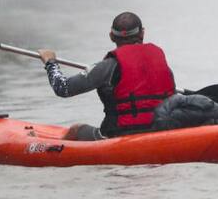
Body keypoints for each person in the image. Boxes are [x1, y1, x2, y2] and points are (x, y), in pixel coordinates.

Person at [38, 12, 176, 140]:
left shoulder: (107, 66)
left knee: (76, 130)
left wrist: (50, 62)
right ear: (143, 33)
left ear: (111, 36)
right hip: (162, 129)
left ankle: (50, 148)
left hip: (119, 134)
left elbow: (63, 88)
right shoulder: (161, 63)